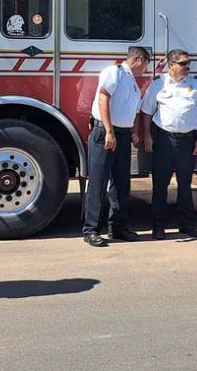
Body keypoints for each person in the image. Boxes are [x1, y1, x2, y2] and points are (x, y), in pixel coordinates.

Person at [82, 47, 150, 247]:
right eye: (146, 63)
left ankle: (118, 227)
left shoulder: (133, 83)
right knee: (98, 182)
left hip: (123, 134)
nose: (147, 68)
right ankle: (91, 229)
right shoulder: (115, 72)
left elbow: (133, 110)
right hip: (106, 133)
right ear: (138, 59)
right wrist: (110, 131)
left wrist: (133, 132)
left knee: (121, 183)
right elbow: (103, 98)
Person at [141, 49, 197, 239]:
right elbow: (147, 112)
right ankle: (158, 226)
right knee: (160, 185)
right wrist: (147, 135)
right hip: (163, 140)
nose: (187, 67)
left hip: (188, 141)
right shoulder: (158, 84)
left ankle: (187, 223)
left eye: (188, 63)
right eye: (183, 63)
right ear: (171, 65)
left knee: (185, 185)